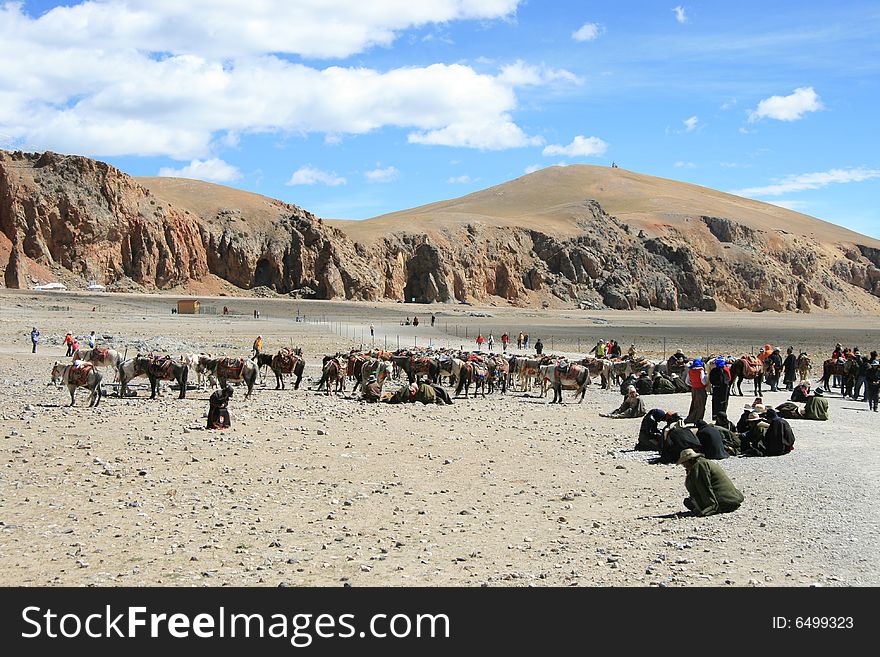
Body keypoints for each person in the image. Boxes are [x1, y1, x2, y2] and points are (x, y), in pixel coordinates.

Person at [677, 449, 744, 517]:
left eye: (684, 463)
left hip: (726, 502)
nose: (684, 466)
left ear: (689, 460)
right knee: (689, 502)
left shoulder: (699, 466)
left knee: (689, 503)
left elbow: (704, 488)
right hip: (733, 499)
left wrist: (709, 508)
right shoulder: (704, 462)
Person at [685, 359, 708, 424]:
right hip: (700, 390)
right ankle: (698, 419)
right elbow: (703, 381)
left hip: (694, 390)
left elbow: (687, 381)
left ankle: (691, 418)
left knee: (694, 404)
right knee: (701, 405)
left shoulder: (690, 371)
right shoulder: (700, 371)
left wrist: (693, 384)